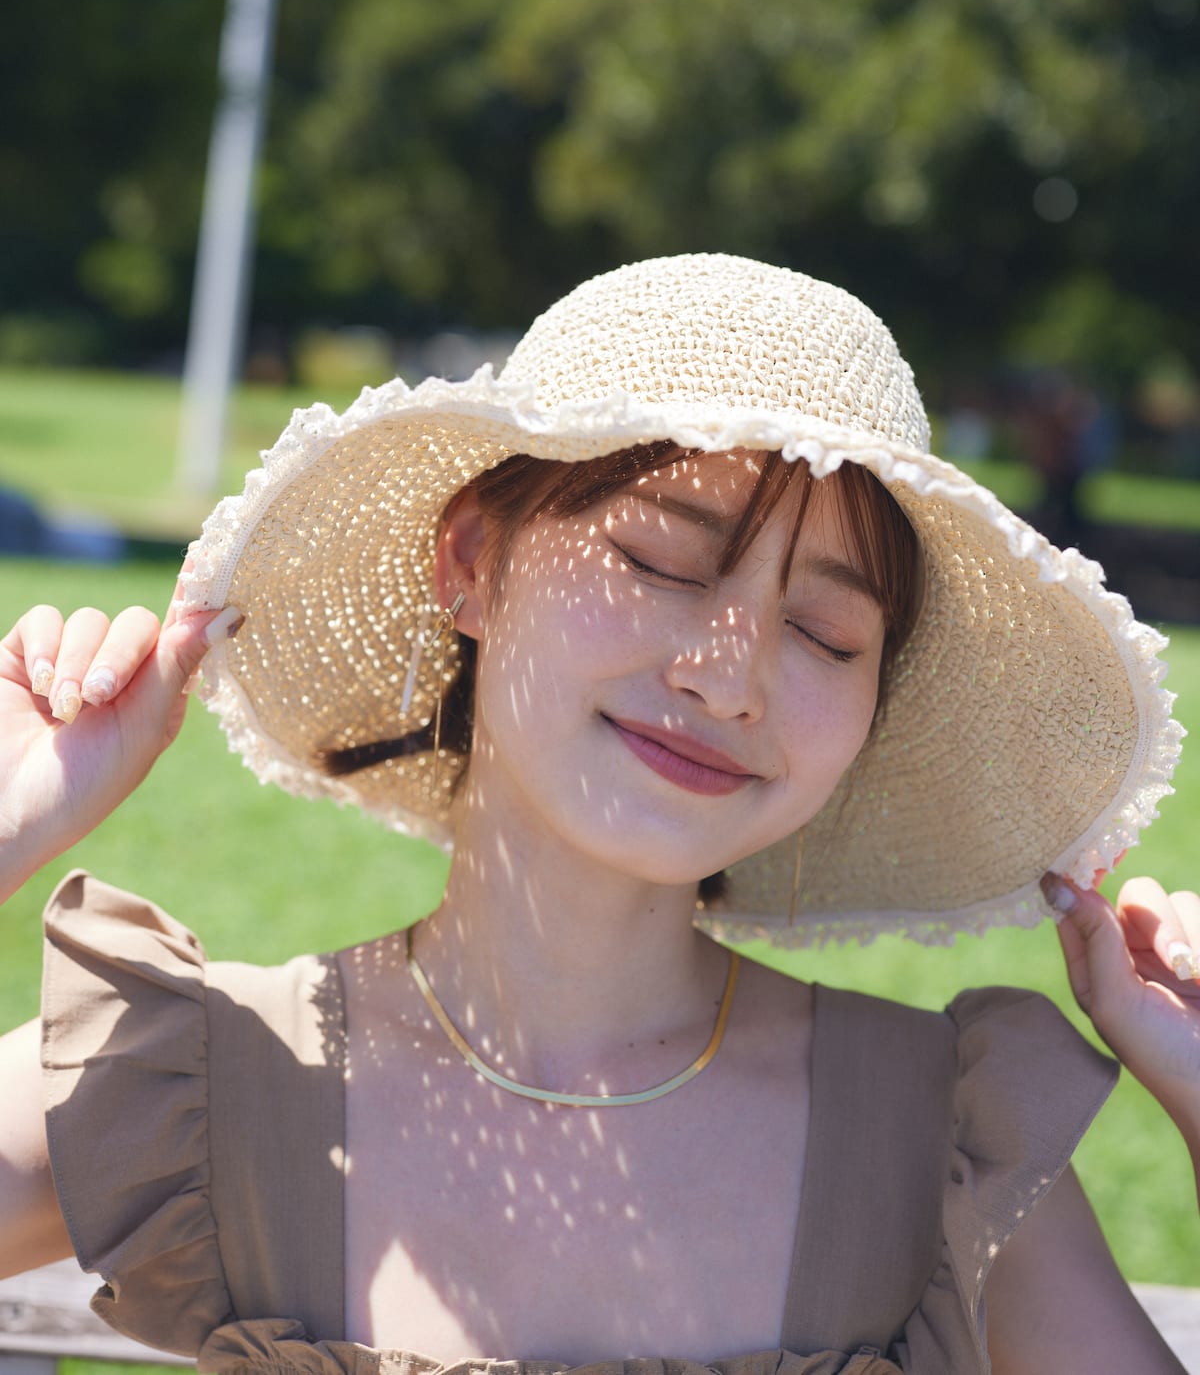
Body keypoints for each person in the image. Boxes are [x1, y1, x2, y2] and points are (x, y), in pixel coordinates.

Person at [0, 254, 1196, 1375]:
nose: (727, 678)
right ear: (471, 559)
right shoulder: (204, 1082)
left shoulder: (937, 1142)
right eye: (662, 562)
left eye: (826, 634)